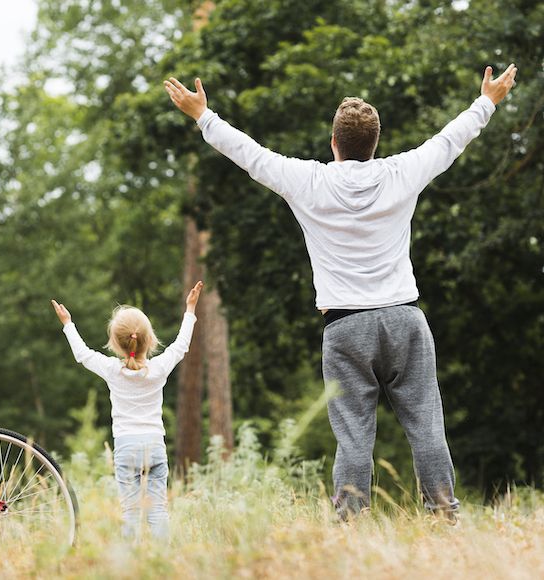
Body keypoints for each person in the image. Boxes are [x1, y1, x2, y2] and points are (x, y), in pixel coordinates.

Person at [164, 64, 517, 519]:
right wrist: (487, 101)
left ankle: (350, 521)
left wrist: (204, 116)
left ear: (334, 144)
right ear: (375, 144)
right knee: (428, 427)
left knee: (353, 435)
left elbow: (251, 155)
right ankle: (445, 516)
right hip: (405, 320)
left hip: (346, 327)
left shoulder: (308, 180)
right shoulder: (400, 172)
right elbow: (450, 140)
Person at [51, 281, 204, 539]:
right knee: (158, 511)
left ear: (116, 343)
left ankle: (128, 564)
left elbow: (83, 355)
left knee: (130, 513)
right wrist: (190, 310)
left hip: (125, 448)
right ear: (150, 338)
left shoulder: (112, 370)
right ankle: (162, 563)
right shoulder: (158, 369)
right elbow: (180, 346)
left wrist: (68, 324)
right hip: (155, 445)